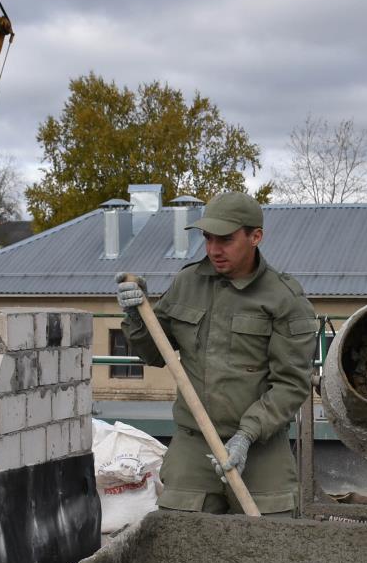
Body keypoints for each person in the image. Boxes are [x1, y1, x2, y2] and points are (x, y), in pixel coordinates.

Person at [116, 191, 317, 515]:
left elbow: (291, 385)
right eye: (208, 239)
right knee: (178, 542)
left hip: (260, 448)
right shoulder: (186, 283)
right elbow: (155, 354)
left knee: (269, 544)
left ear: (255, 236)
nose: (213, 250)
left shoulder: (283, 298)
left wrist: (246, 436)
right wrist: (137, 314)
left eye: (224, 240)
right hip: (194, 445)